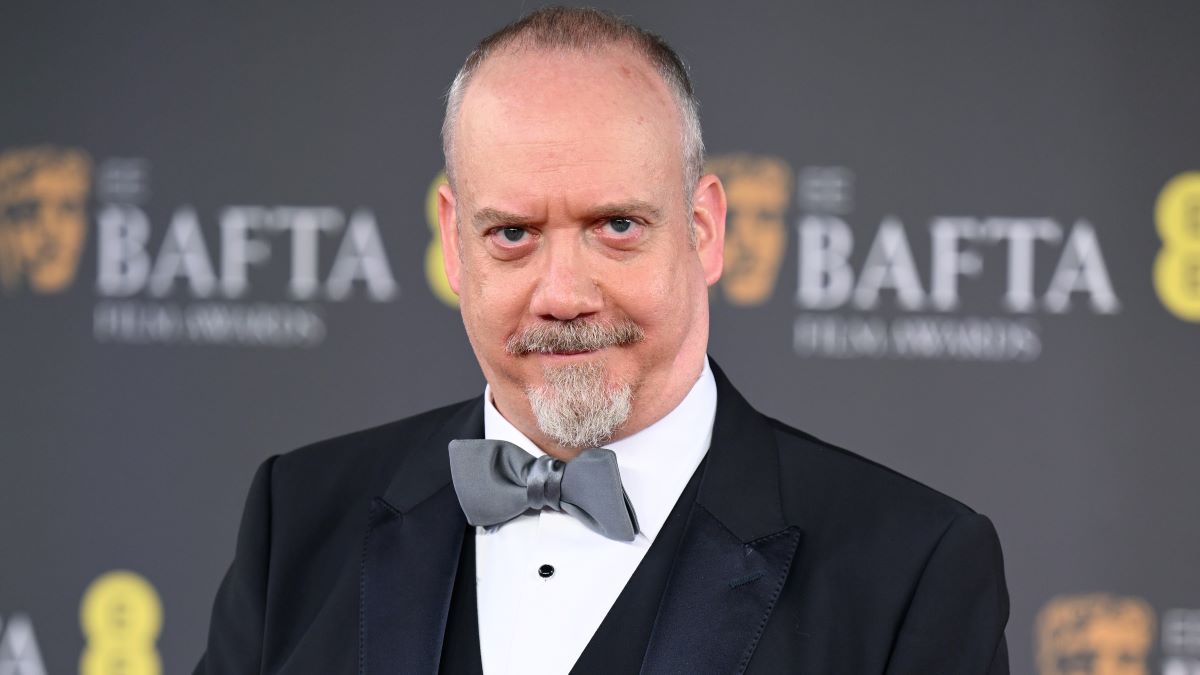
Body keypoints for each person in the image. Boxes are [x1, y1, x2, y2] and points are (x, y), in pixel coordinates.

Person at [195, 7, 1009, 674]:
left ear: (704, 231)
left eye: (616, 225)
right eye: (511, 232)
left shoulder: (911, 568)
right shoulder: (296, 519)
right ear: (452, 243)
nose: (562, 294)